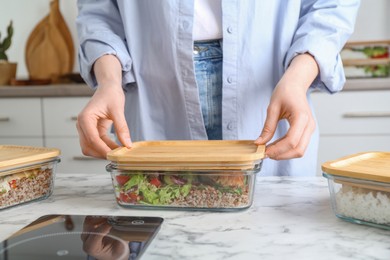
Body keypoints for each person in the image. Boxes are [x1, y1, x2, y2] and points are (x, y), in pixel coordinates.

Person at [76, 0, 360, 176]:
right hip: (156, 91)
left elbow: (332, 5)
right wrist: (109, 80)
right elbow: (97, 11)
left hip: (269, 82)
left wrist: (299, 77)